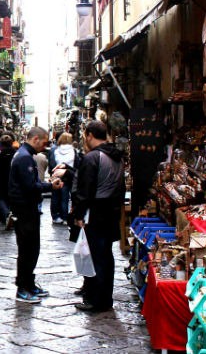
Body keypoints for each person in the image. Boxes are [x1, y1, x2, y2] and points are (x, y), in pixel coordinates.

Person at [72, 120, 125, 312]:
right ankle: (105, 297)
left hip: (96, 211)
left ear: (89, 135)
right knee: (106, 255)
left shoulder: (93, 157)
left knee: (95, 256)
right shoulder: (117, 156)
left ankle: (96, 300)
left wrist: (79, 214)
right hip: (111, 210)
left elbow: (84, 190)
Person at [6, 126, 62, 303]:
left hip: (27, 208)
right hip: (25, 209)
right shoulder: (24, 158)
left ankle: (28, 284)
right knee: (27, 249)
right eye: (44, 142)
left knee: (31, 248)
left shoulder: (25, 155)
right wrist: (50, 186)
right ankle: (22, 288)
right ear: (35, 139)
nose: (45, 146)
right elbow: (30, 186)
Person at [49, 132, 77, 224]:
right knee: (65, 198)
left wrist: (52, 173)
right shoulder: (73, 151)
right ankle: (65, 217)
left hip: (57, 175)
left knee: (55, 197)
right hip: (68, 176)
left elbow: (52, 163)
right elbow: (76, 165)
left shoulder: (55, 150)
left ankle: (56, 216)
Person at [0, 134, 16, 227]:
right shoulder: (15, 154)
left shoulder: (0, 155)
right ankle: (11, 215)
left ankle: (7, 214)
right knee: (11, 198)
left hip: (2, 181)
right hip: (13, 180)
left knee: (1, 198)